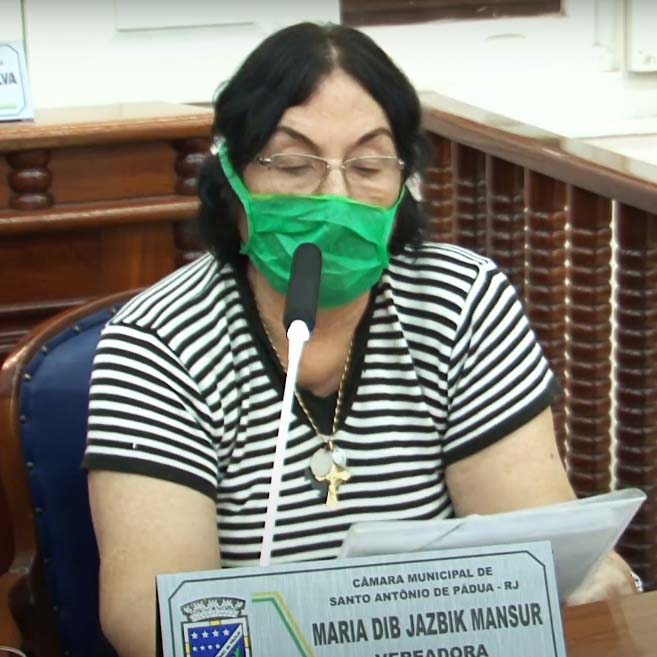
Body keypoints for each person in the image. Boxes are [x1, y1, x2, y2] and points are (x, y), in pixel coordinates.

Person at [84, 21, 637, 657]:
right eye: (294, 165)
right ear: (232, 178)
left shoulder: (460, 301)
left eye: (369, 165)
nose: (336, 198)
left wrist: (585, 581)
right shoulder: (159, 342)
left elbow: (534, 551)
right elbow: (153, 618)